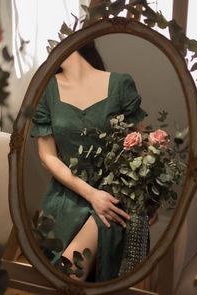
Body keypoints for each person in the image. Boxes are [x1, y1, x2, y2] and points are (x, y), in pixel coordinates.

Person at [30, 41, 155, 282]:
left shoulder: (120, 84)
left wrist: (149, 197)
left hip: (115, 194)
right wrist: (90, 194)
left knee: (69, 273)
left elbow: (143, 144)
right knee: (51, 276)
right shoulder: (46, 89)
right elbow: (47, 156)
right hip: (68, 193)